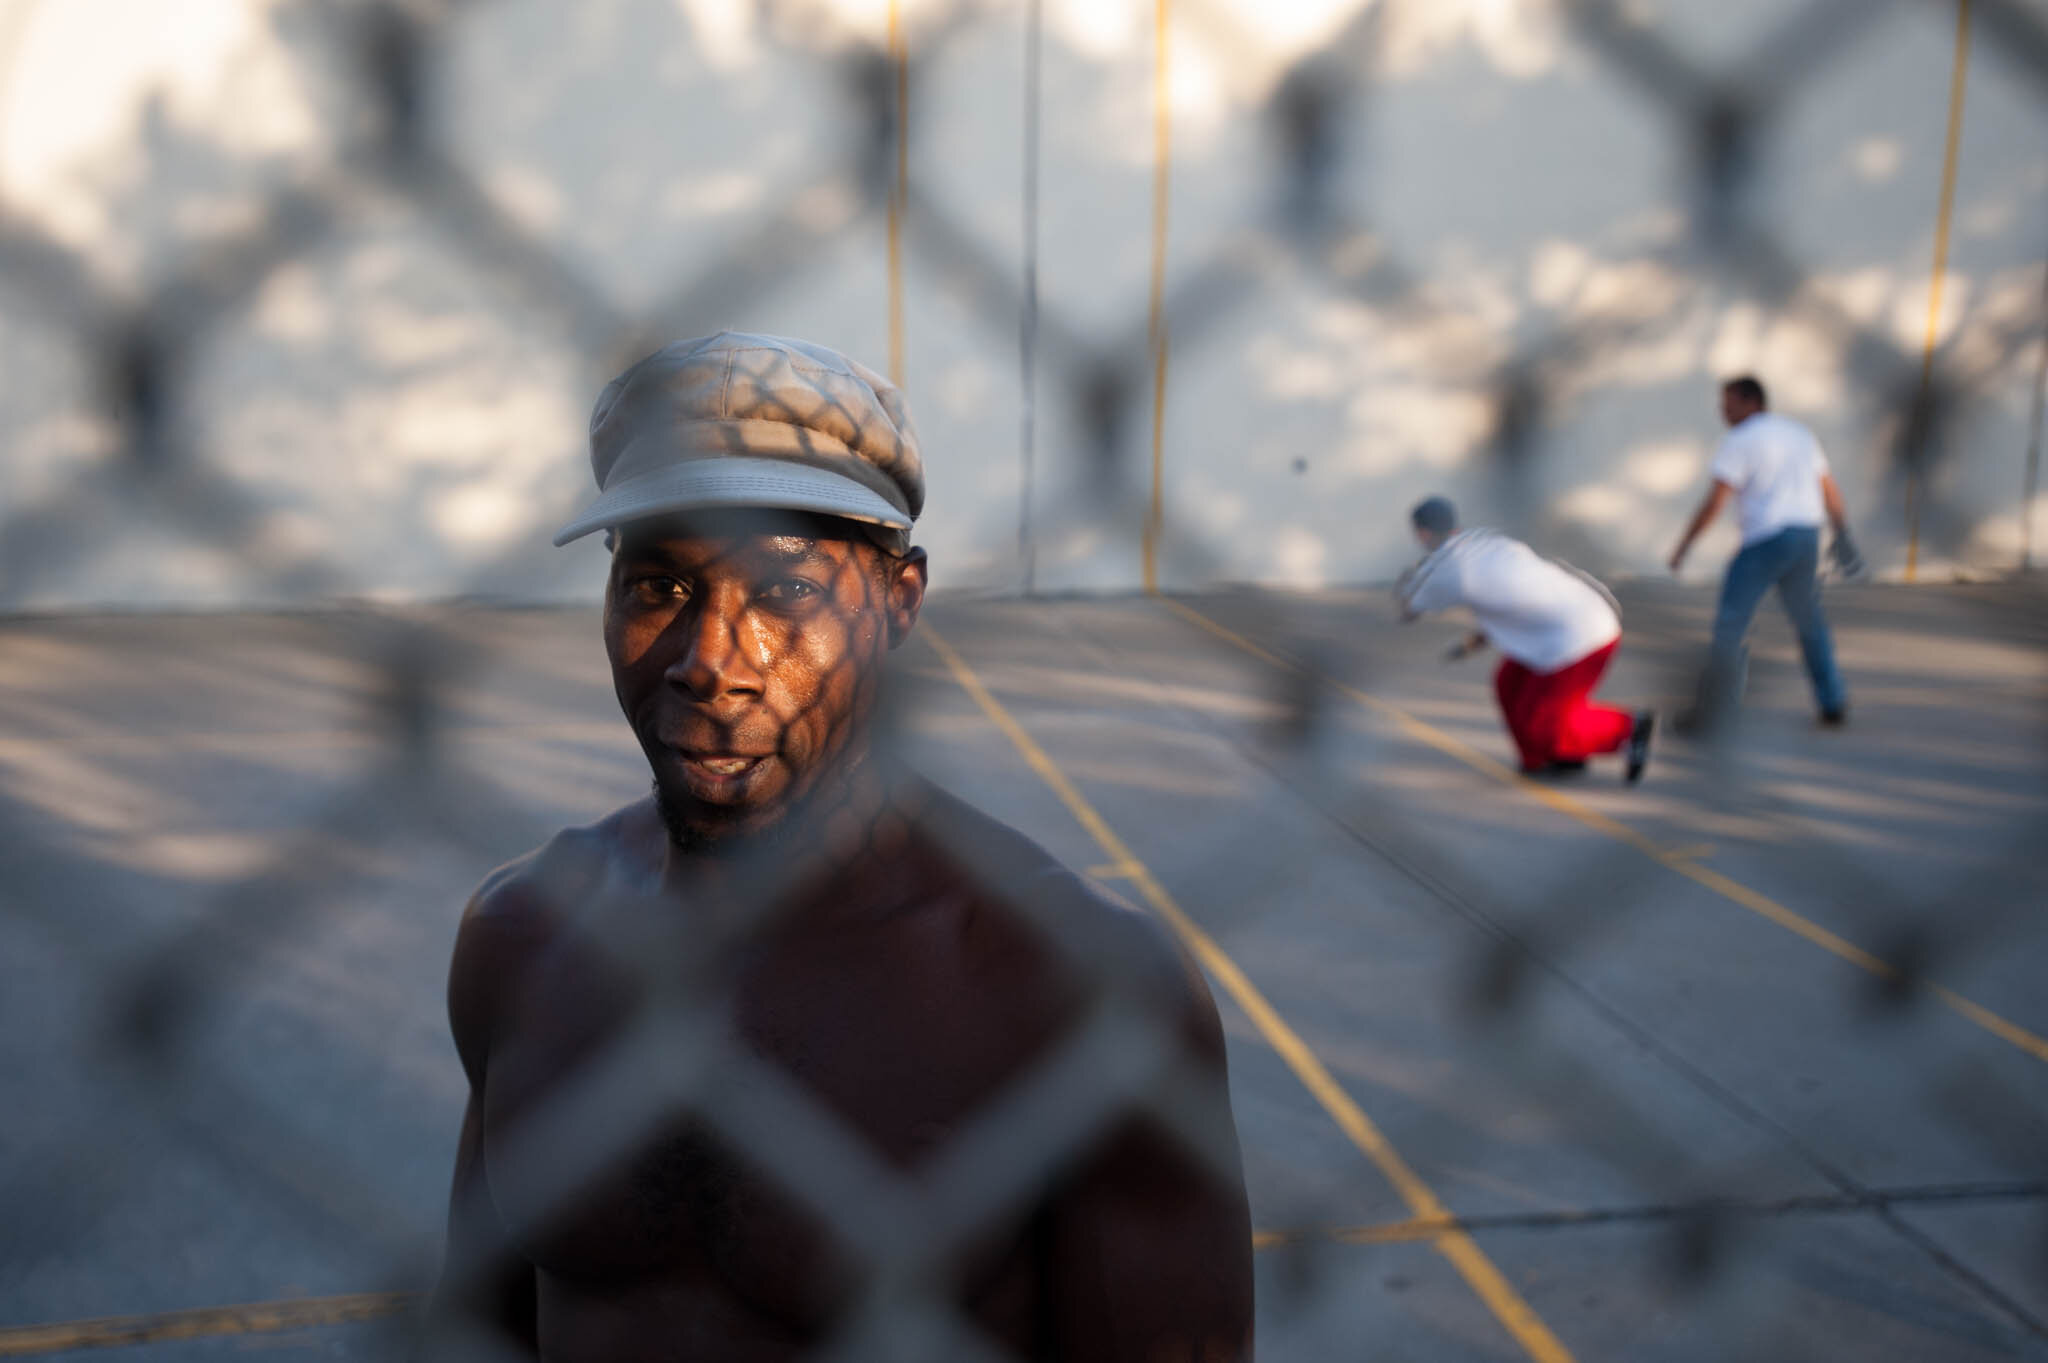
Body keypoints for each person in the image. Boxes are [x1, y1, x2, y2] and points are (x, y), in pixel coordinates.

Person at [427, 333, 1252, 1361]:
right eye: (658, 588)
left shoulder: (1073, 988)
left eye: (786, 593)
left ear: (898, 602)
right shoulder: (522, 933)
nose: (709, 664)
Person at [1397, 497, 1653, 782]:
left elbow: (1410, 607)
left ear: (1422, 533)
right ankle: (1543, 758)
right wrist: (1473, 642)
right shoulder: (1485, 541)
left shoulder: (1450, 571)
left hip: (1582, 636)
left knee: (1547, 724)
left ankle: (1628, 728)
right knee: (1509, 685)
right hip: (1566, 620)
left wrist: (1413, 584)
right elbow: (1507, 601)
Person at [1667, 376, 1853, 727]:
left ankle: (1714, 710)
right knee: (1809, 620)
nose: (1723, 412)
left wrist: (1684, 546)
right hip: (1805, 537)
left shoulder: (1740, 440)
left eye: (1728, 404)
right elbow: (1828, 488)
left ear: (1750, 402)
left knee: (1731, 624)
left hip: (1765, 540)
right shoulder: (1799, 433)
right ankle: (1833, 700)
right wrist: (1842, 534)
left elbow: (1716, 501)